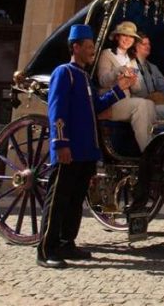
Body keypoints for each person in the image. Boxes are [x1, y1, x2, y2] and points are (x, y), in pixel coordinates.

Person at [37, 24, 135, 269]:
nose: (93, 51)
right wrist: (60, 143)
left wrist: (119, 90)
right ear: (76, 47)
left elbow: (97, 107)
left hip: (86, 150)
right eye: (89, 47)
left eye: (93, 47)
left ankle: (67, 243)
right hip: (69, 149)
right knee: (58, 200)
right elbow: (57, 111)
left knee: (74, 200)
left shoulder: (84, 77)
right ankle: (46, 249)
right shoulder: (64, 73)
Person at [96, 21, 157, 150]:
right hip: (111, 102)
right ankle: (147, 150)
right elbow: (102, 80)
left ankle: (151, 144)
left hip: (126, 101)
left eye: (130, 37)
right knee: (141, 105)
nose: (127, 39)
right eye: (124, 35)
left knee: (149, 104)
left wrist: (133, 80)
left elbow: (137, 89)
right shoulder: (107, 54)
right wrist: (119, 71)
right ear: (117, 36)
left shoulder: (132, 60)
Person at [131, 32, 164, 121]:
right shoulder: (129, 65)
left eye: (149, 44)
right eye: (144, 44)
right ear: (134, 47)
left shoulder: (152, 67)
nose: (148, 46)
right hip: (140, 106)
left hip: (155, 104)